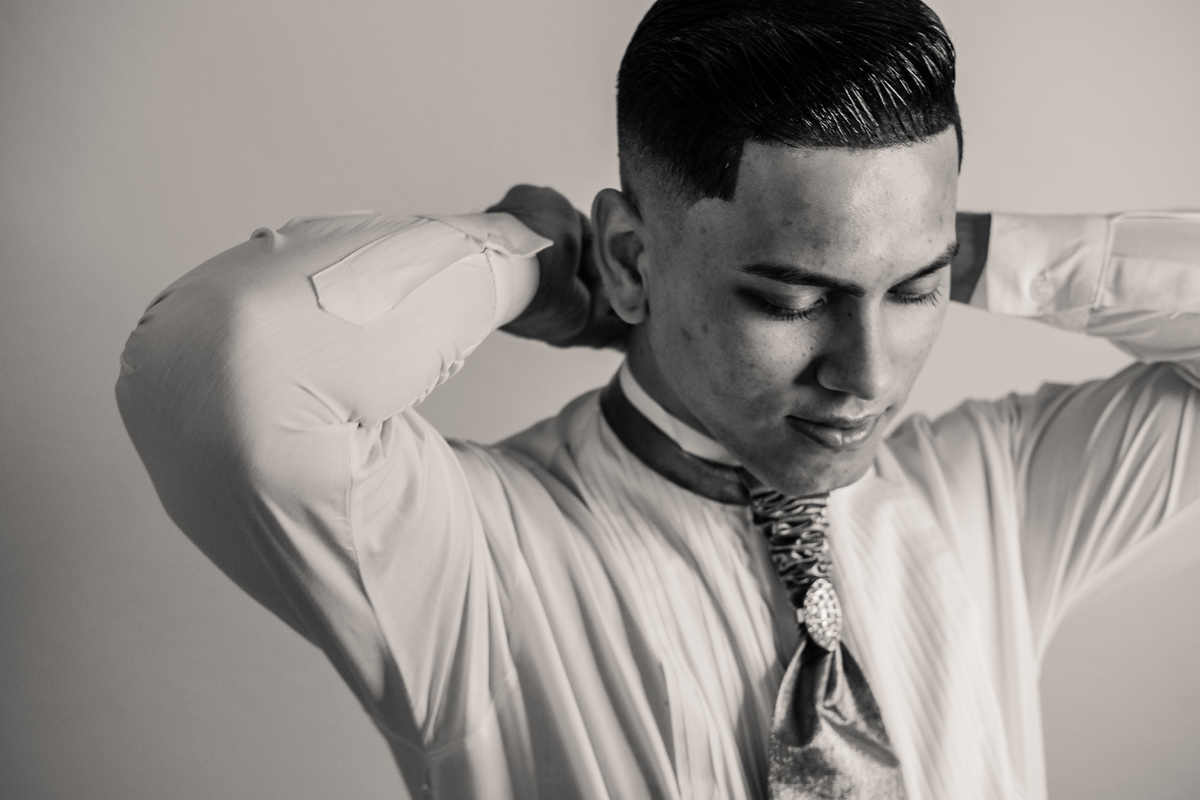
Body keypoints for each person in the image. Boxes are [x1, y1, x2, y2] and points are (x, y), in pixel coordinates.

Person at [115, 0, 1200, 798]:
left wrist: (947, 243)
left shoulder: (997, 493)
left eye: (915, 292)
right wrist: (528, 261)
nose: (867, 375)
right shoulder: (474, 560)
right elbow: (222, 360)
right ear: (635, 257)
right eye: (793, 298)